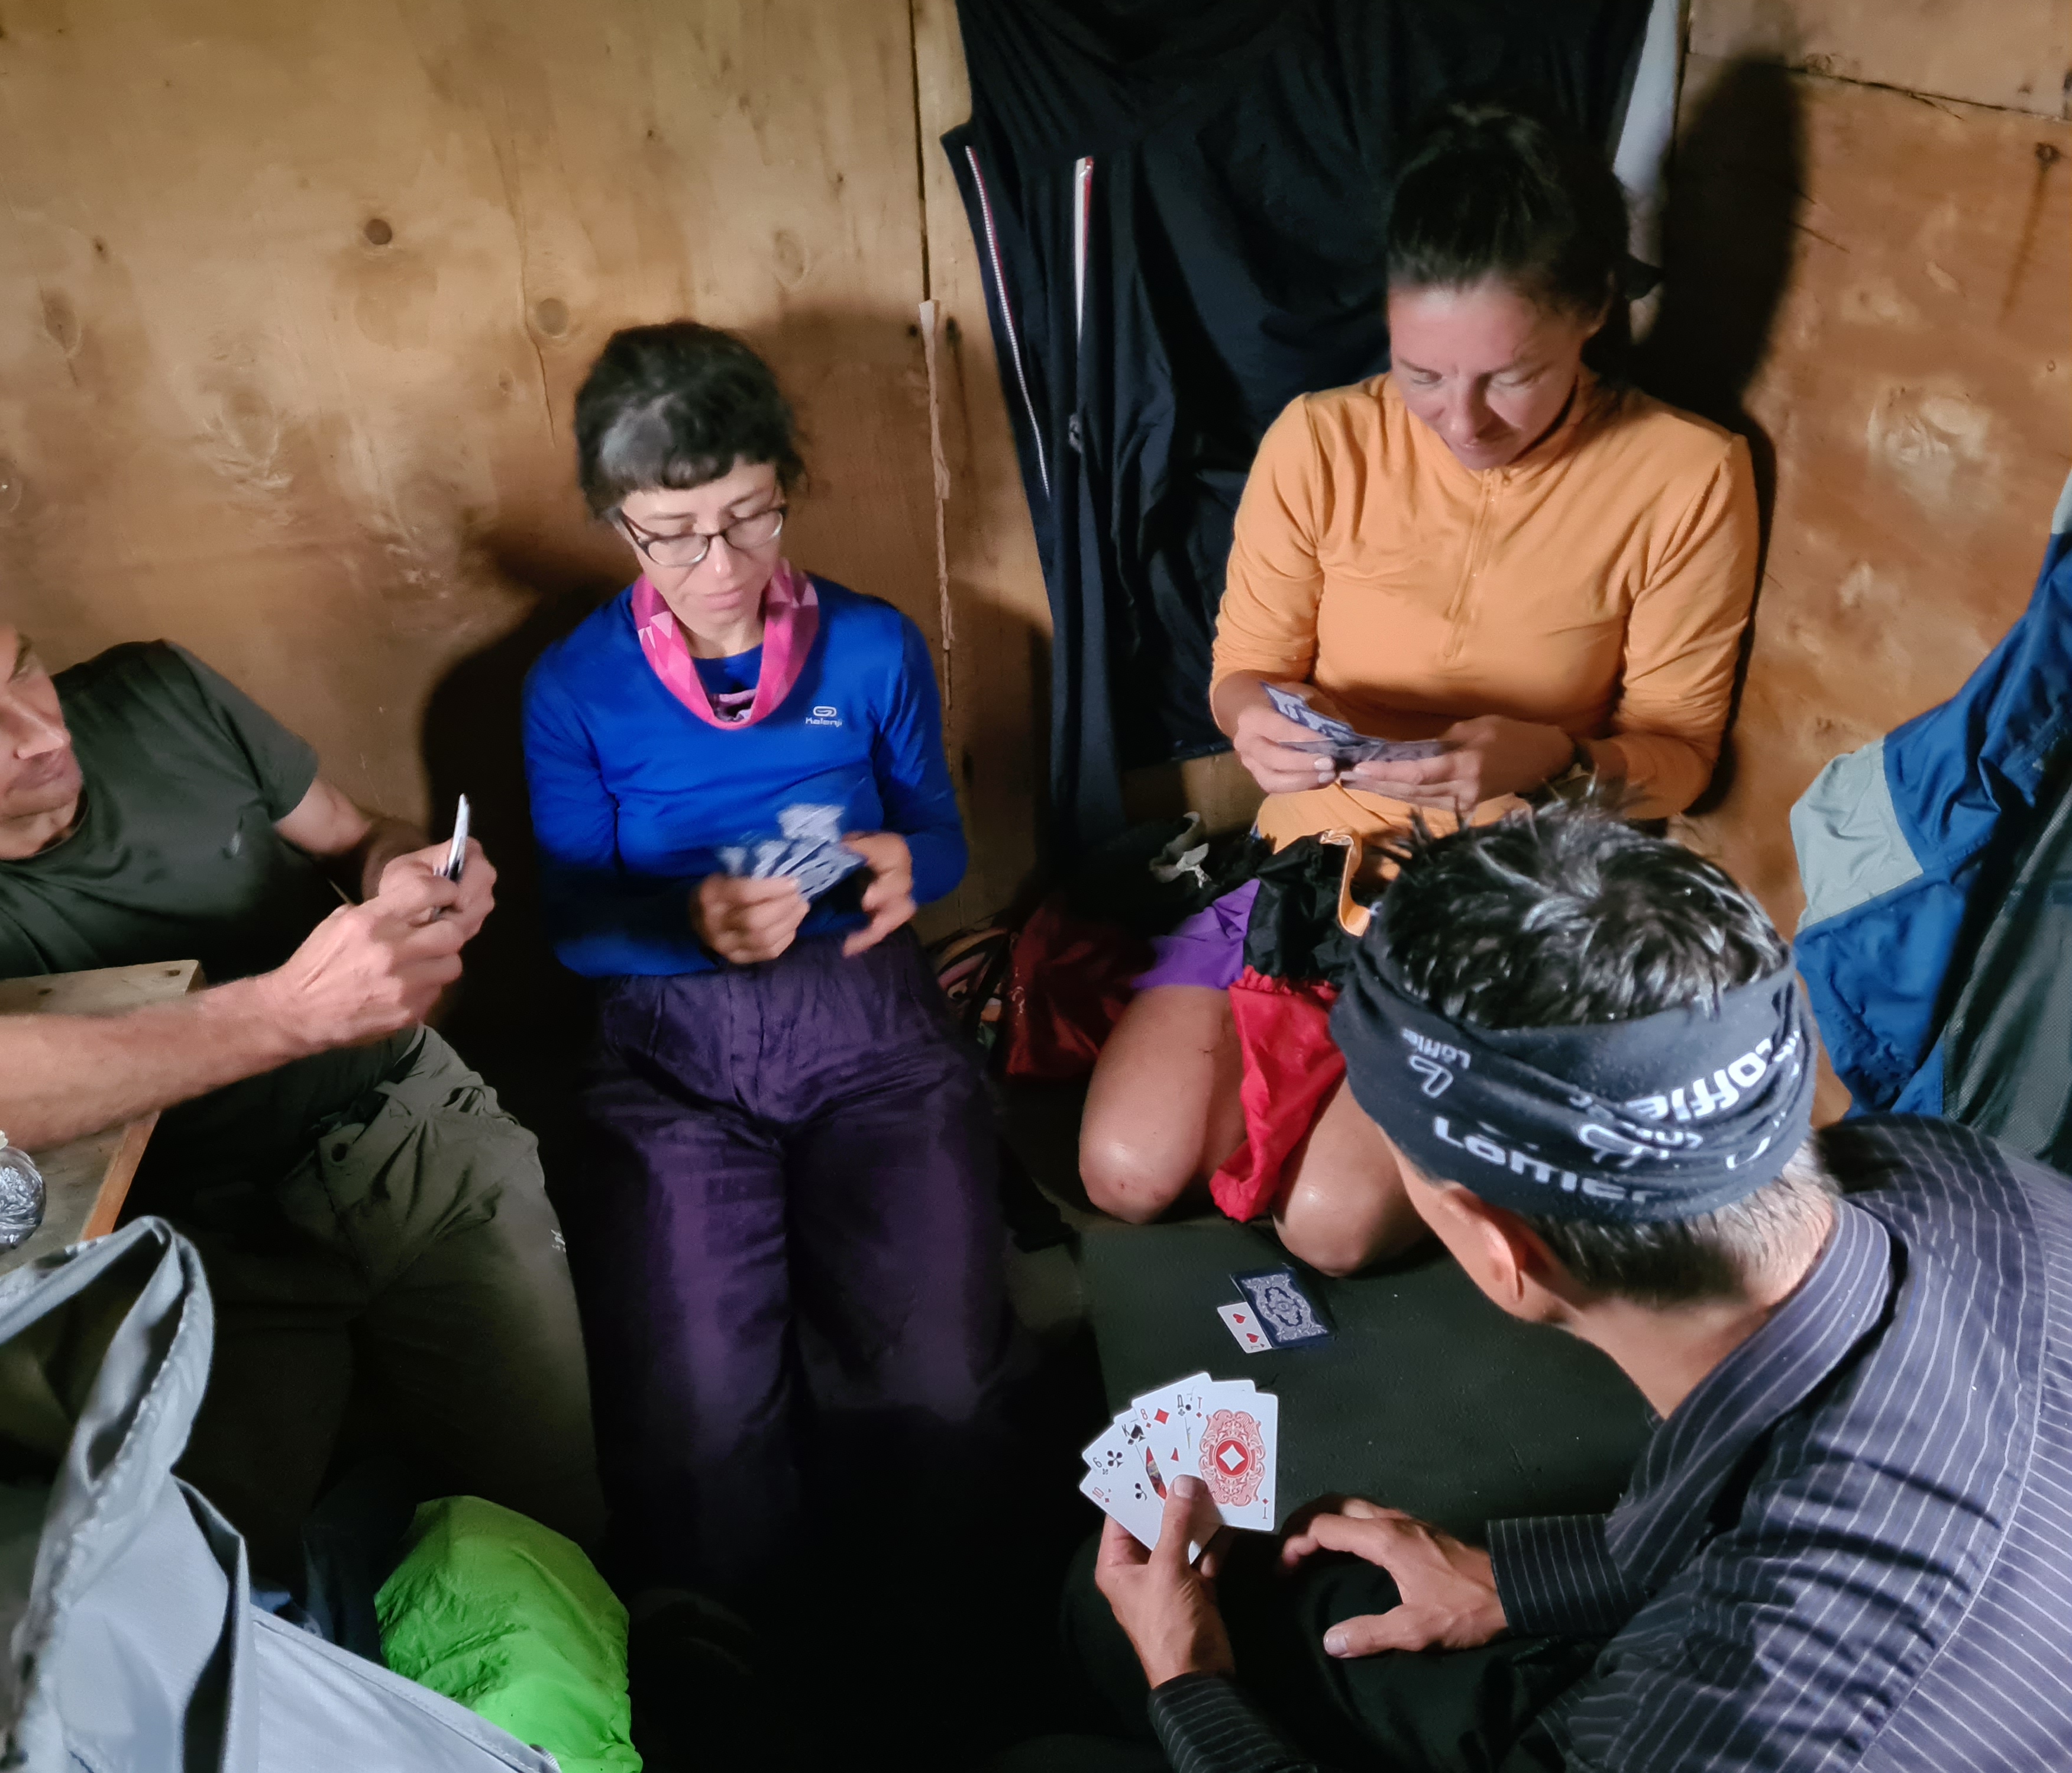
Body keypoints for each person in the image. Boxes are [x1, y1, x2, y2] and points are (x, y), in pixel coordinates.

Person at [1052, 807, 2072, 1773]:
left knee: (1099, 1673)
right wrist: (1517, 1584)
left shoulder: (1710, 1730)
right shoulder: (1957, 1171)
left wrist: (1189, 1686)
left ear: (1500, 1249)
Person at [0, 532, 602, 1579]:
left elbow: (357, 833)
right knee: (212, 1570)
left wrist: (407, 875)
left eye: (23, 666)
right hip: (195, 1237)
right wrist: (284, 1015)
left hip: (406, 1128)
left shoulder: (162, 696)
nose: (44, 732)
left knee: (552, 1518)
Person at [1079, 102, 1760, 1273]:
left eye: (1513, 377)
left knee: (1333, 1226)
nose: (1463, 421)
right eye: (1421, 374)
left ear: (1595, 310)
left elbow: (1684, 754)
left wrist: (1555, 760)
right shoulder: (1321, 441)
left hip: (1510, 895)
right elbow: (1245, 671)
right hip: (1309, 865)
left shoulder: (1686, 474)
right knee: (1129, 1171)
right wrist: (1254, 727)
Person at [522, 322, 1010, 1601]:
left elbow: (939, 835)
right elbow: (573, 919)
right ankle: (742, 1656)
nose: (721, 566)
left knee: (938, 1379)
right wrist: (686, 925)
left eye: (750, 518)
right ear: (616, 521)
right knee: (693, 1424)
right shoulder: (575, 687)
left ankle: (933, 1633)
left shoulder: (872, 645)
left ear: (787, 485)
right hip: (670, 1065)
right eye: (672, 534)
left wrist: (911, 868)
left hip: (875, 1039)